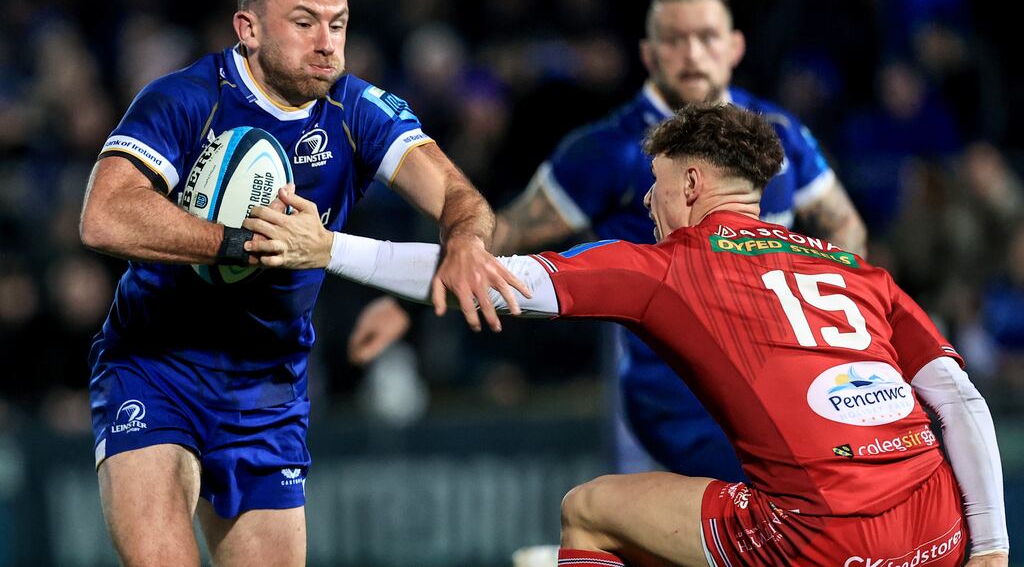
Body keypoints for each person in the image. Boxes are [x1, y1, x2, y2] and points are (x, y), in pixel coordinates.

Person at [246, 103, 1007, 566]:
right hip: (939, 534)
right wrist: (991, 547)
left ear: (690, 185)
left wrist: (328, 248)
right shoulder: (854, 268)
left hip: (822, 540)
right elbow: (960, 398)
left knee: (592, 507)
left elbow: (483, 276)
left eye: (654, 184)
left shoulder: (670, 266)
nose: (646, 201)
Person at [78, 0, 526, 567]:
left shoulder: (359, 111)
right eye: (305, 22)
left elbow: (463, 200)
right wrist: (240, 244)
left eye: (338, 24)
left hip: (268, 390)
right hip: (156, 365)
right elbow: (104, 215)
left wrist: (462, 242)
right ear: (249, 29)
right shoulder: (187, 99)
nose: (327, 44)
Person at [349, 0, 867, 481]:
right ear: (648, 53)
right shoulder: (607, 151)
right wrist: (405, 299)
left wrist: (833, 322)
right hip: (668, 406)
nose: (692, 54)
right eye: (675, 39)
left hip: (778, 389)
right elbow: (502, 234)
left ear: (734, 47)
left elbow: (844, 224)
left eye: (706, 38)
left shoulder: (780, 134)